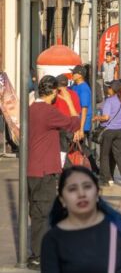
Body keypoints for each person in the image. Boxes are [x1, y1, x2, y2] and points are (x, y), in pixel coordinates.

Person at [40, 166, 121, 272]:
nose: (81, 194)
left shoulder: (118, 228)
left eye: (87, 186)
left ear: (97, 193)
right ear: (62, 200)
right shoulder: (52, 240)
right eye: (72, 189)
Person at [27, 75, 81, 269]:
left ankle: (37, 251)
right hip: (44, 169)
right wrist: (68, 100)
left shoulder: (31, 108)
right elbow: (74, 123)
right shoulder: (47, 111)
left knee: (36, 211)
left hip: (31, 167)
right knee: (45, 213)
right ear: (52, 92)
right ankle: (39, 255)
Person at [94, 81, 121, 188]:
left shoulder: (109, 101)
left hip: (109, 131)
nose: (107, 90)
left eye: (109, 88)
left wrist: (97, 118)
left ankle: (106, 179)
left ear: (112, 89)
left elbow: (106, 117)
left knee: (105, 155)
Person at [70, 65, 92, 138]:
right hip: (75, 124)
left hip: (81, 125)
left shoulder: (84, 89)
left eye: (74, 73)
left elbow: (84, 109)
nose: (72, 74)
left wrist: (81, 129)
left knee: (80, 148)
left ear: (80, 76)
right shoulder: (75, 86)